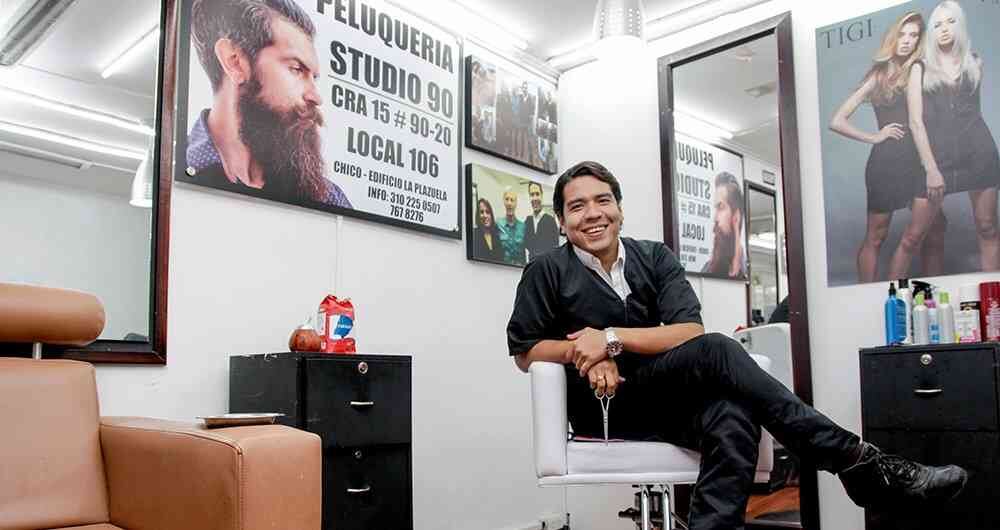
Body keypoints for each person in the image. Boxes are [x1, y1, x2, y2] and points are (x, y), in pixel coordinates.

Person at [507, 161, 967, 530]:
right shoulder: (546, 271)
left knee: (734, 413)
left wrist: (608, 339)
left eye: (603, 200)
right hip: (604, 405)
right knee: (722, 350)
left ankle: (848, 468)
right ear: (563, 221)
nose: (593, 214)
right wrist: (580, 354)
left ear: (620, 210)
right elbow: (525, 350)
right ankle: (858, 462)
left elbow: (688, 331)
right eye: (577, 207)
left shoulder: (653, 257)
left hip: (660, 393)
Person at [187, 0, 351, 208]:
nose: (315, 97)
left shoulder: (329, 199)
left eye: (313, 78)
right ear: (234, 61)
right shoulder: (179, 169)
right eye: (296, 69)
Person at [829, 11, 946, 282]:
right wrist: (874, 137)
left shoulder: (920, 68)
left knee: (935, 225)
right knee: (876, 236)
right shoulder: (878, 75)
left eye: (914, 35)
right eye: (903, 34)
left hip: (918, 160)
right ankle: (869, 295)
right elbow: (837, 120)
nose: (907, 41)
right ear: (893, 38)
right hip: (888, 162)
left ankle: (903, 295)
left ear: (919, 40)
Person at [899, 1, 1000, 274]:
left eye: (950, 22)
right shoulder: (919, 67)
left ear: (960, 24)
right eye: (937, 24)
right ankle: (886, 298)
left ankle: (992, 296)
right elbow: (915, 122)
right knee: (912, 237)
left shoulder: (976, 62)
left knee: (988, 227)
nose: (944, 29)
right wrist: (931, 168)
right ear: (931, 31)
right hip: (936, 158)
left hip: (979, 154)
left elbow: (973, 113)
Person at [702, 172, 747, 278]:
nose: (715, 218)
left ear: (736, 216)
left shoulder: (744, 271)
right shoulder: (707, 269)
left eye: (720, 207)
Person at [523, 182, 559, 262]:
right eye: (532, 195)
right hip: (531, 265)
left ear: (542, 195)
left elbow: (555, 248)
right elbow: (527, 245)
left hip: (546, 266)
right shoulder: (527, 221)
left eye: (537, 194)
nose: (535, 198)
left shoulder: (550, 221)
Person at [497, 189, 526, 266]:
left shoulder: (523, 227)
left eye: (512, 200)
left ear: (516, 203)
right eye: (507, 199)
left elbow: (524, 254)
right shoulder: (497, 224)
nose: (509, 203)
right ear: (504, 202)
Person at [472, 198, 504, 263]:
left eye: (487, 212)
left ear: (491, 215)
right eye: (481, 212)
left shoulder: (497, 234)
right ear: (477, 215)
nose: (485, 215)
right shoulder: (473, 235)